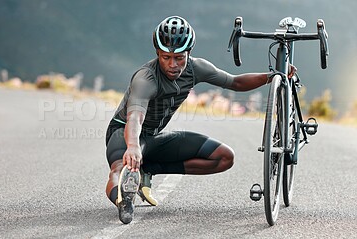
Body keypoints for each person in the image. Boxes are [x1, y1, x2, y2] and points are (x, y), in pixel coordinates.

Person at [105, 15, 295, 224]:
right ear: (157, 53)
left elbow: (235, 82)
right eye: (166, 57)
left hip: (152, 138)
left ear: (189, 53)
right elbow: (135, 116)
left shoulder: (196, 68)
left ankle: (148, 169)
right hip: (123, 134)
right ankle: (124, 199)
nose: (173, 64)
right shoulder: (146, 78)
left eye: (180, 58)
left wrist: (272, 76)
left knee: (224, 157)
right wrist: (132, 146)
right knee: (119, 169)